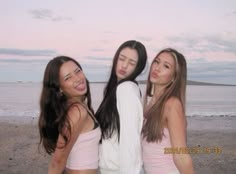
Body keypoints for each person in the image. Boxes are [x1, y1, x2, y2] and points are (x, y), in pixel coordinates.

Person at [38, 56, 101, 174]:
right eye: (68, 78)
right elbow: (57, 161)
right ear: (60, 88)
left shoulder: (77, 105)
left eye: (77, 71)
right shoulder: (77, 111)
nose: (77, 78)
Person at [95, 40, 147, 174]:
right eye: (122, 59)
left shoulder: (126, 89)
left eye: (131, 63)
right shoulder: (117, 89)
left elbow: (130, 141)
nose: (124, 65)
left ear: (138, 68)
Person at [142, 48, 194, 174]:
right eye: (157, 62)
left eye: (166, 66)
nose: (157, 68)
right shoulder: (150, 103)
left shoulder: (172, 105)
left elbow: (181, 155)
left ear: (174, 77)